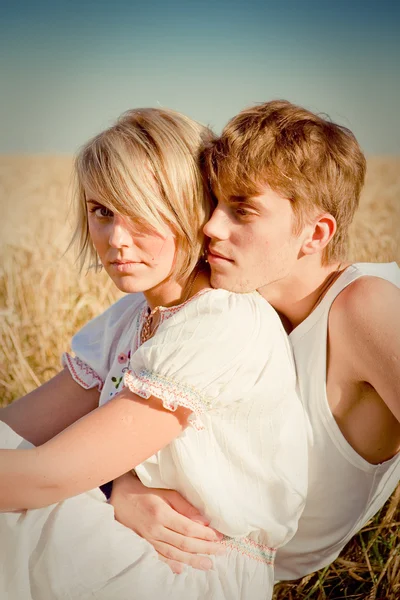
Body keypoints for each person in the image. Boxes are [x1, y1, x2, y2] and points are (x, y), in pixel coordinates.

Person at [0, 107, 308, 600]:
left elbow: (46, 477)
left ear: (192, 208)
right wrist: (117, 486)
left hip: (191, 570)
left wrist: (107, 488)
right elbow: (17, 429)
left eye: (142, 211)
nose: (116, 239)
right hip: (133, 538)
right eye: (102, 211)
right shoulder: (129, 316)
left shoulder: (222, 320)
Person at [105, 100, 400, 581]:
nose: (211, 227)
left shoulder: (364, 308)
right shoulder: (236, 299)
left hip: (232, 569)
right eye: (215, 202)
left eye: (242, 210)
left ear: (315, 233)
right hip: (178, 543)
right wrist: (122, 486)